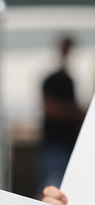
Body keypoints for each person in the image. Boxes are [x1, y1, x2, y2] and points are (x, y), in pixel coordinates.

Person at [40, 37, 85, 190]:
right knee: (51, 187)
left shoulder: (70, 80)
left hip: (67, 145)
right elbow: (50, 109)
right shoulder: (51, 80)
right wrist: (75, 113)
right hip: (54, 145)